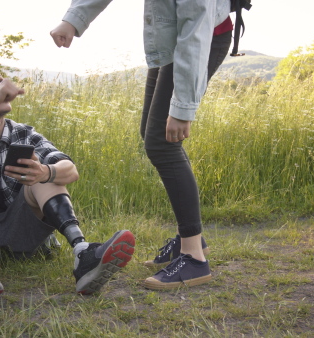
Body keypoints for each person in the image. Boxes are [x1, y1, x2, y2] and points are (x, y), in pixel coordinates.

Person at [50, 0, 233, 290]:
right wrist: (74, 19)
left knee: (162, 143)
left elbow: (196, 27)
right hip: (171, 41)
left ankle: (194, 257)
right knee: (152, 134)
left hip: (197, 39)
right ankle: (192, 239)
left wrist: (183, 107)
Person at [0, 64, 135, 298]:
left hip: (18, 232)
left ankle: (83, 253)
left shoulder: (23, 134)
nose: (1, 87)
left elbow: (70, 170)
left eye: (1, 81)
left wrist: (45, 172)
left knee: (46, 175)